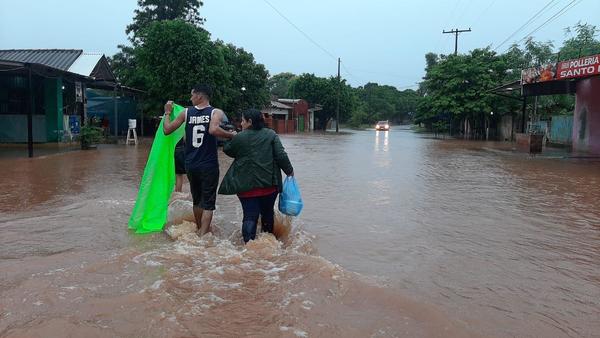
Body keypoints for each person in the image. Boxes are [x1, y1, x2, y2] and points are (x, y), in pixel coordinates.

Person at [163, 84, 236, 236]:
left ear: (199, 96)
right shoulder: (216, 112)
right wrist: (232, 135)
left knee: (197, 201)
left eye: (192, 95)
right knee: (208, 203)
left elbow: (167, 130)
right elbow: (214, 130)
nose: (190, 98)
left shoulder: (186, 113)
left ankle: (198, 229)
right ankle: (204, 234)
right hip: (209, 165)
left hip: (191, 164)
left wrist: (167, 113)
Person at [218, 108, 294, 243]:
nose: (241, 123)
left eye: (242, 120)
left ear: (250, 122)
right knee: (267, 214)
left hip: (245, 187)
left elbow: (228, 150)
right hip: (269, 186)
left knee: (249, 216)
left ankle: (248, 247)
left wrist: (231, 136)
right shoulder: (271, 134)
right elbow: (281, 155)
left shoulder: (240, 137)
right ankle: (268, 244)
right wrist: (289, 171)